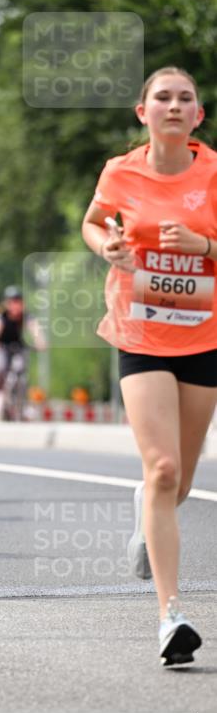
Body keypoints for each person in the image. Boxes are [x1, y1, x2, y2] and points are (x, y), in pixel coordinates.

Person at [81, 66, 217, 667]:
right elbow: (93, 222)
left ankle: (149, 510)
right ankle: (170, 616)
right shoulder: (121, 171)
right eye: (162, 97)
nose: (174, 105)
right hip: (139, 332)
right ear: (144, 112)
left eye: (185, 98)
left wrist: (203, 246)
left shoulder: (213, 173)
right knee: (162, 469)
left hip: (203, 336)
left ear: (198, 115)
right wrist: (106, 247)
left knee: (179, 482)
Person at [0, 286, 45, 420]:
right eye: (13, 302)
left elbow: (34, 328)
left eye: (18, 302)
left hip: (18, 346)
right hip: (1, 347)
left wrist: (40, 341)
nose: (16, 306)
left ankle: (22, 404)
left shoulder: (26, 315)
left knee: (21, 370)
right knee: (1, 368)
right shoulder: (0, 315)